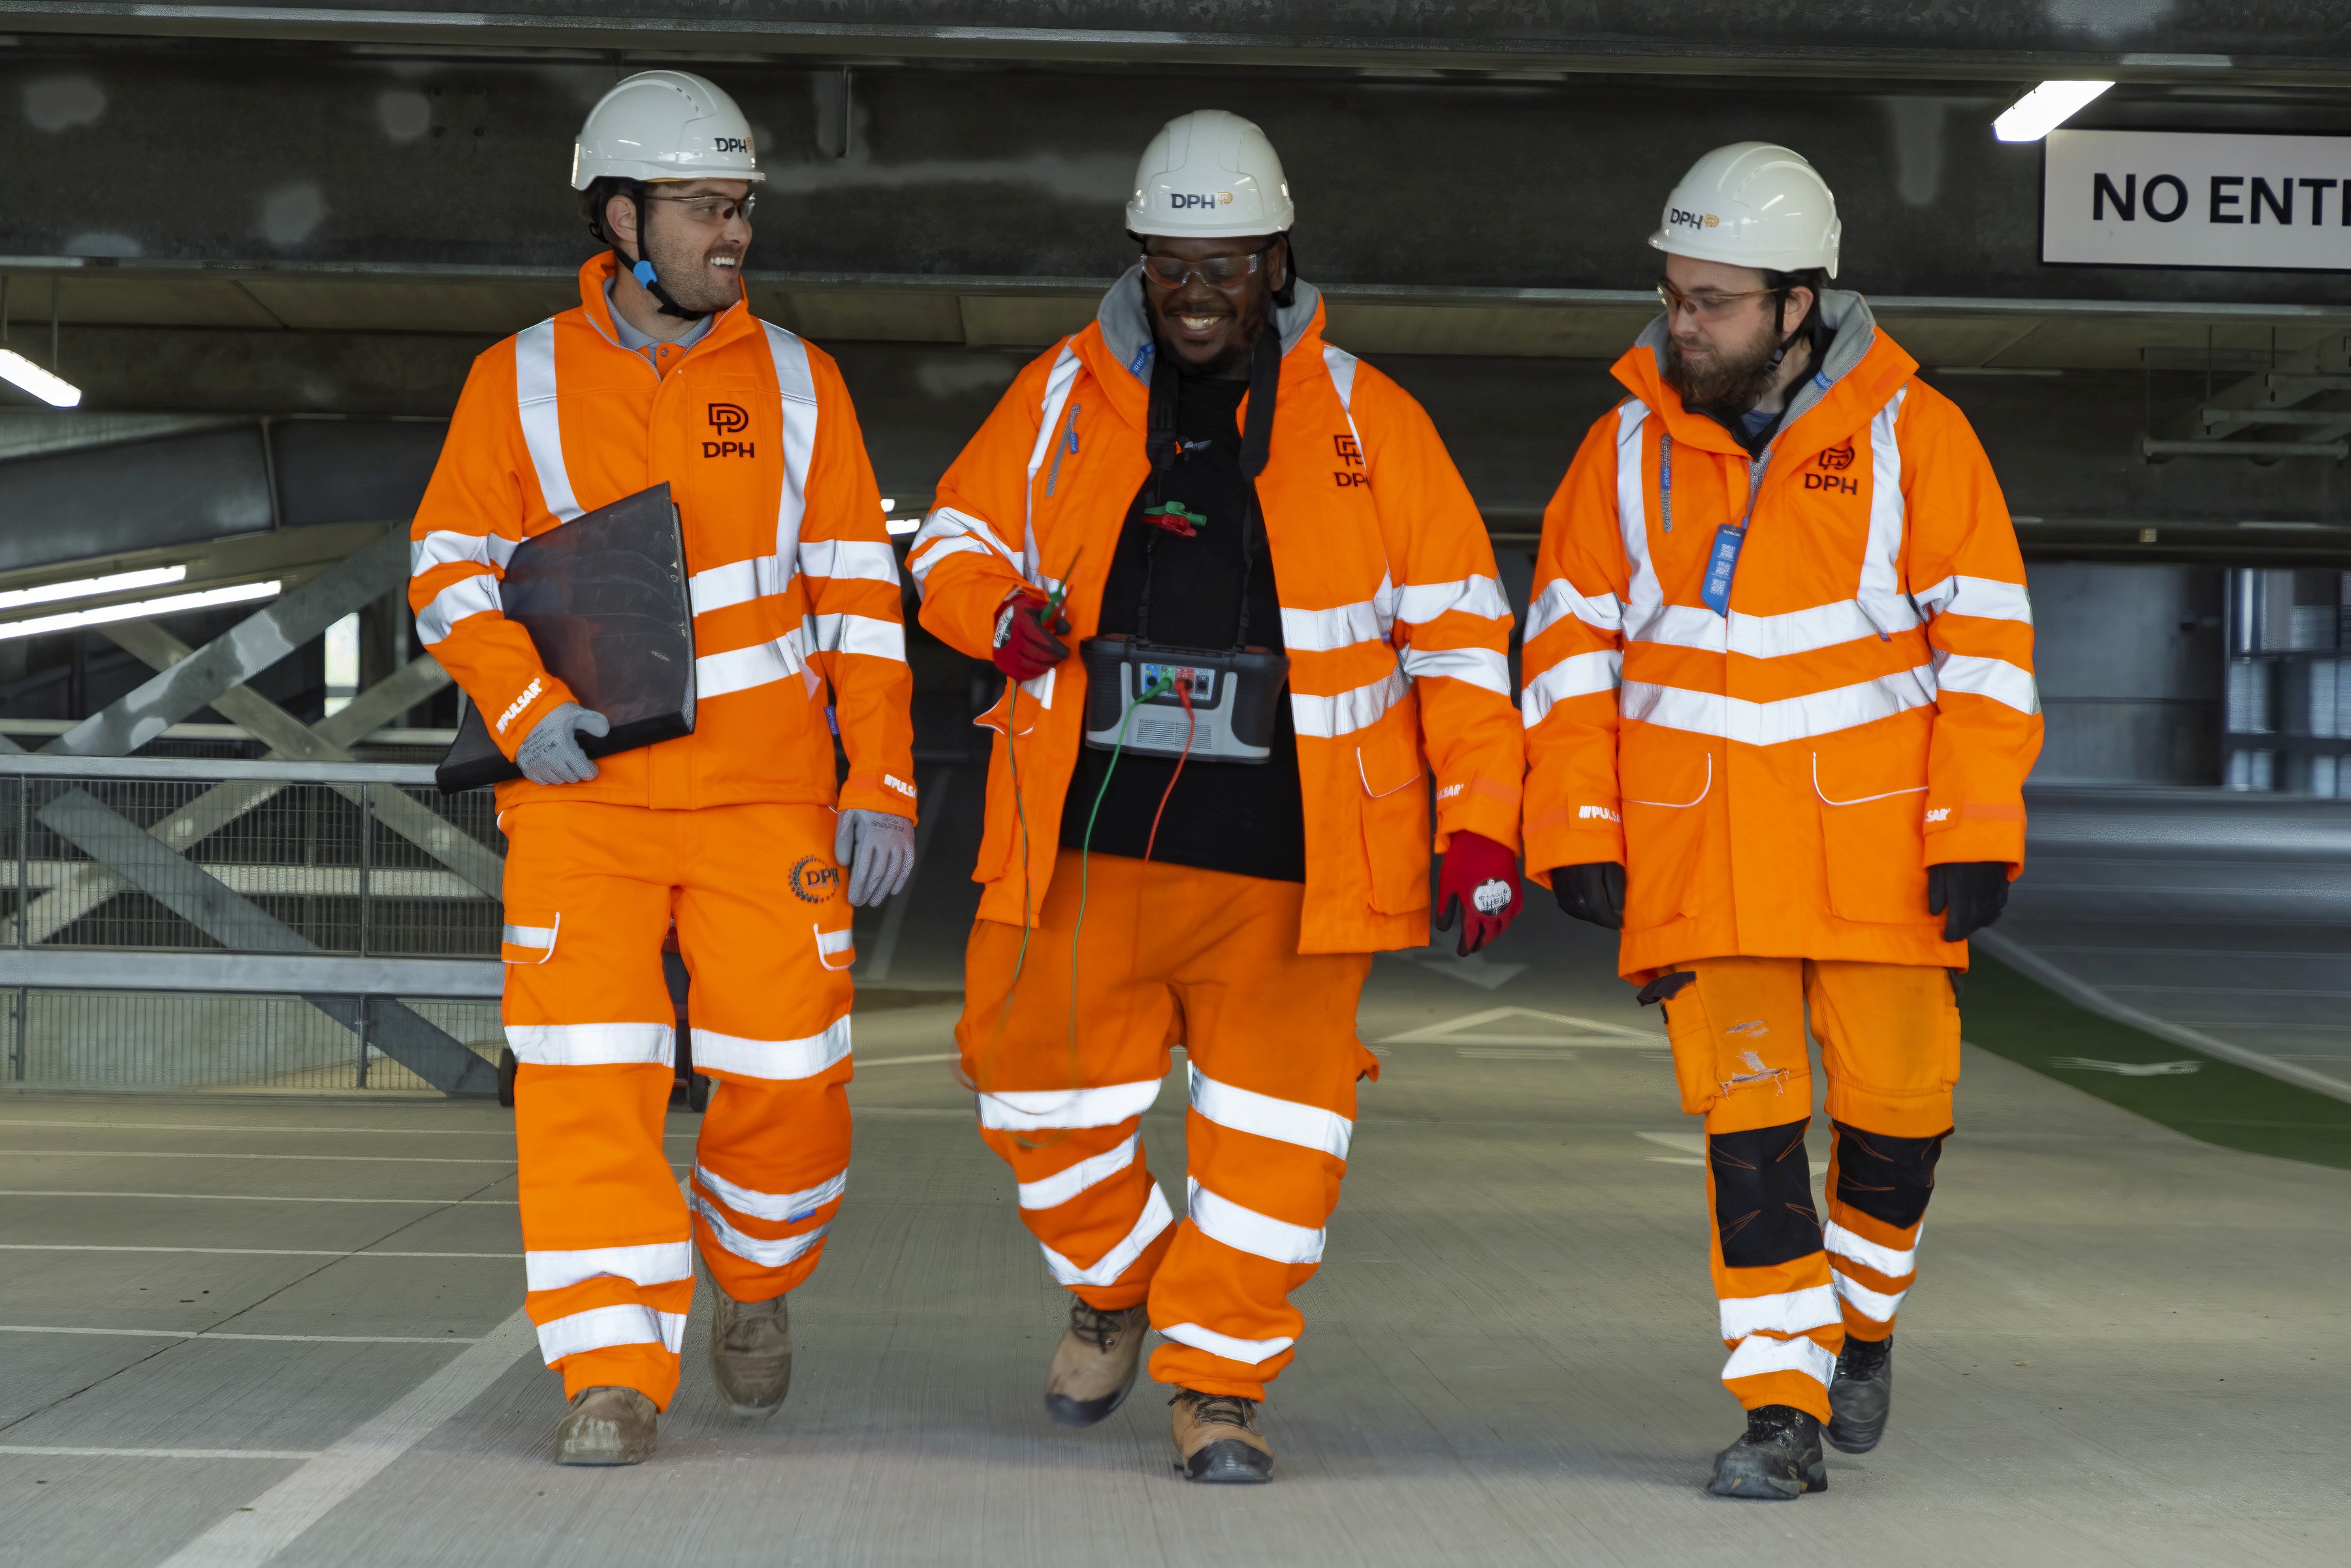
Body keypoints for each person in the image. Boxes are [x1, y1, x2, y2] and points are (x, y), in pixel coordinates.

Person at [908, 108, 1525, 1484]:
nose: (1197, 292)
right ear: (1140, 259)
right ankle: (1127, 1276)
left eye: (1227, 263)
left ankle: (1218, 1386)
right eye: (1172, 262)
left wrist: (1482, 818)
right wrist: (990, 609)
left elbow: (1465, 640)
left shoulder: (1375, 421)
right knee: (1022, 1083)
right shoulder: (1063, 392)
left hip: (1293, 862)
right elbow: (948, 533)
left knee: (1277, 1139)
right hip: (1083, 842)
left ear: (1280, 262)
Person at [408, 69, 917, 1465]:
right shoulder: (511, 379)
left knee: (795, 1079)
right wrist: (521, 708)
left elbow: (862, 606)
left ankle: (752, 1278)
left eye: (740, 205)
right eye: (703, 208)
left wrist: (883, 781)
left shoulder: (804, 384)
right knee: (586, 1082)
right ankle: (611, 1369)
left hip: (768, 801)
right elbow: (446, 567)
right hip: (585, 804)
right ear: (622, 217)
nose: (731, 232)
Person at [1518, 142, 2041, 1500]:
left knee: (1896, 1129)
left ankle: (1862, 1326)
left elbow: (1986, 650)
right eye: (1675, 293)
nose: (1680, 323)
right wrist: (1576, 820)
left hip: (1880, 861)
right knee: (1750, 1151)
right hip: (1707, 862)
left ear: (1799, 302)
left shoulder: (1919, 439)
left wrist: (1977, 823)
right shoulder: (1622, 452)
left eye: (1714, 302)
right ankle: (1781, 1410)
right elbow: (1566, 653)